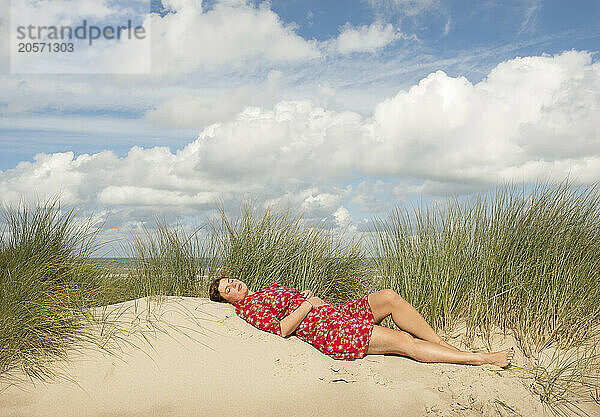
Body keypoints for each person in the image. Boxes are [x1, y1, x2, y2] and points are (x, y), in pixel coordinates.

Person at [208, 276, 514, 367]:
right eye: (228, 290)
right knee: (404, 342)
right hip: (329, 330)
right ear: (226, 300)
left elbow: (288, 304)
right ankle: (479, 359)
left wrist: (303, 298)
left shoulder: (264, 290)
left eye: (233, 281)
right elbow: (283, 328)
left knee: (390, 297)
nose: (235, 286)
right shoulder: (247, 310)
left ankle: (443, 345)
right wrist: (307, 304)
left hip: (335, 313)